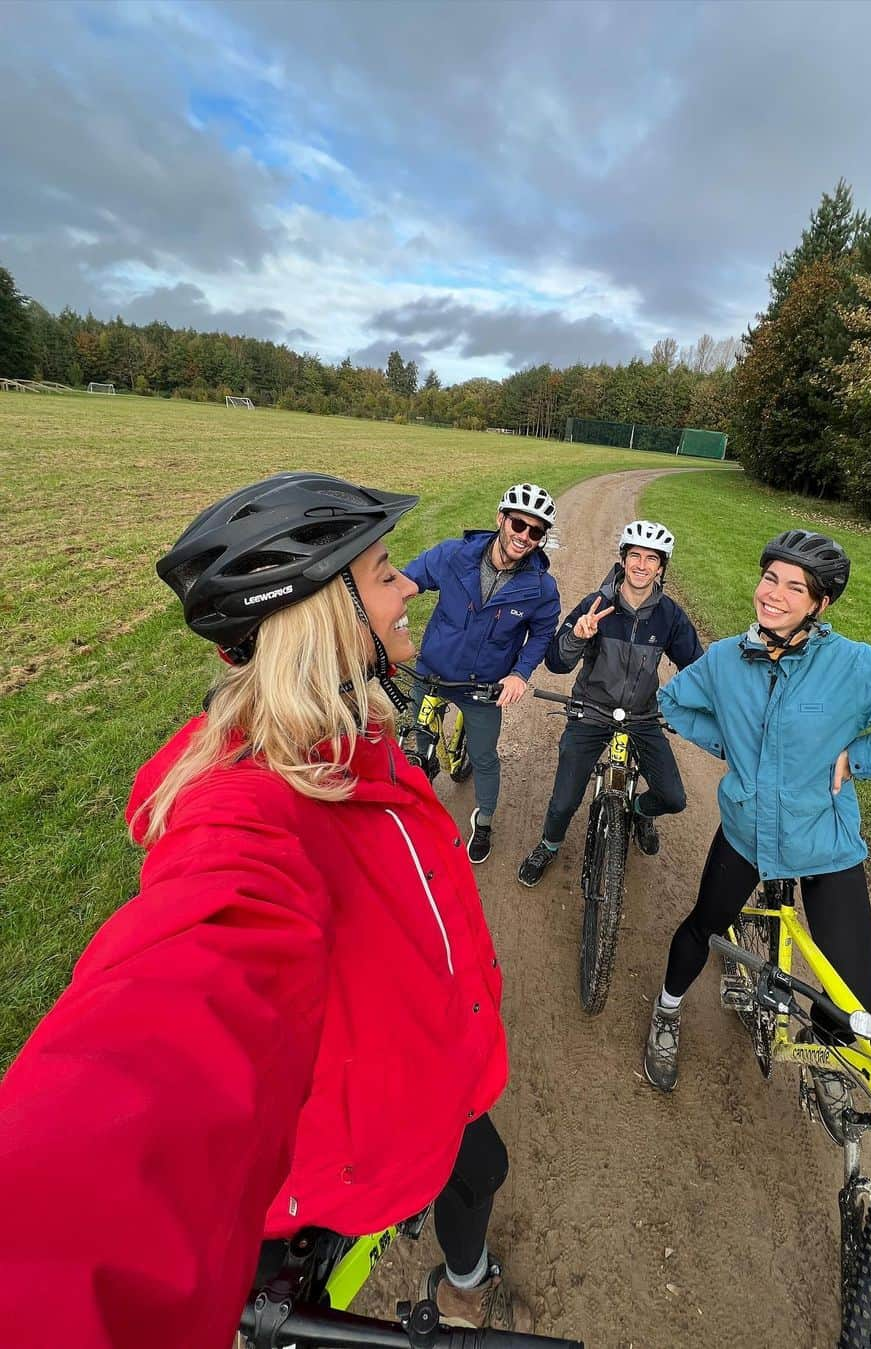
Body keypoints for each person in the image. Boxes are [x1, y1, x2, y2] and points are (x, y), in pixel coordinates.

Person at [0, 472, 531, 1349]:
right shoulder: (248, 803)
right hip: (362, 1142)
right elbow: (184, 997)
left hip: (444, 1076)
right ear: (322, 617)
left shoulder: (352, 732)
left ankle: (468, 1271)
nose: (408, 589)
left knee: (485, 1169)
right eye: (385, 571)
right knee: (475, 1175)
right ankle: (468, 1276)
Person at [642, 529, 871, 1096]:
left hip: (824, 842)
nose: (772, 594)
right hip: (746, 834)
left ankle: (829, 1058)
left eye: (793, 587)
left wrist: (862, 757)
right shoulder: (728, 658)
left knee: (852, 998)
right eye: (769, 578)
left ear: (820, 604)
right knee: (703, 925)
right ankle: (667, 1009)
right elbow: (674, 702)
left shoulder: (856, 668)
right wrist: (729, 744)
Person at [518, 520, 703, 887]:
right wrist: (576, 635)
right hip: (591, 710)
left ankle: (637, 811)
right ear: (622, 560)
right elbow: (556, 662)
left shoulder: (670, 616)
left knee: (673, 797)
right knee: (564, 800)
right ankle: (549, 845)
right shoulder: (595, 604)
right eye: (635, 555)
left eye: (652, 559)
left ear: (661, 567)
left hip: (642, 716)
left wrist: (690, 706)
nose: (641, 565)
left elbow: (696, 668)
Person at [403, 482, 561, 865]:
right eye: (518, 525)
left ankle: (485, 819)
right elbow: (407, 582)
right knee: (411, 745)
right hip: (432, 673)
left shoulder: (541, 588)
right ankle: (406, 822)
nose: (524, 536)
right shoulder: (454, 555)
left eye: (535, 531)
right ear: (500, 519)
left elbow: (542, 633)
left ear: (541, 539)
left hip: (483, 686)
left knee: (485, 756)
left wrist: (520, 673)